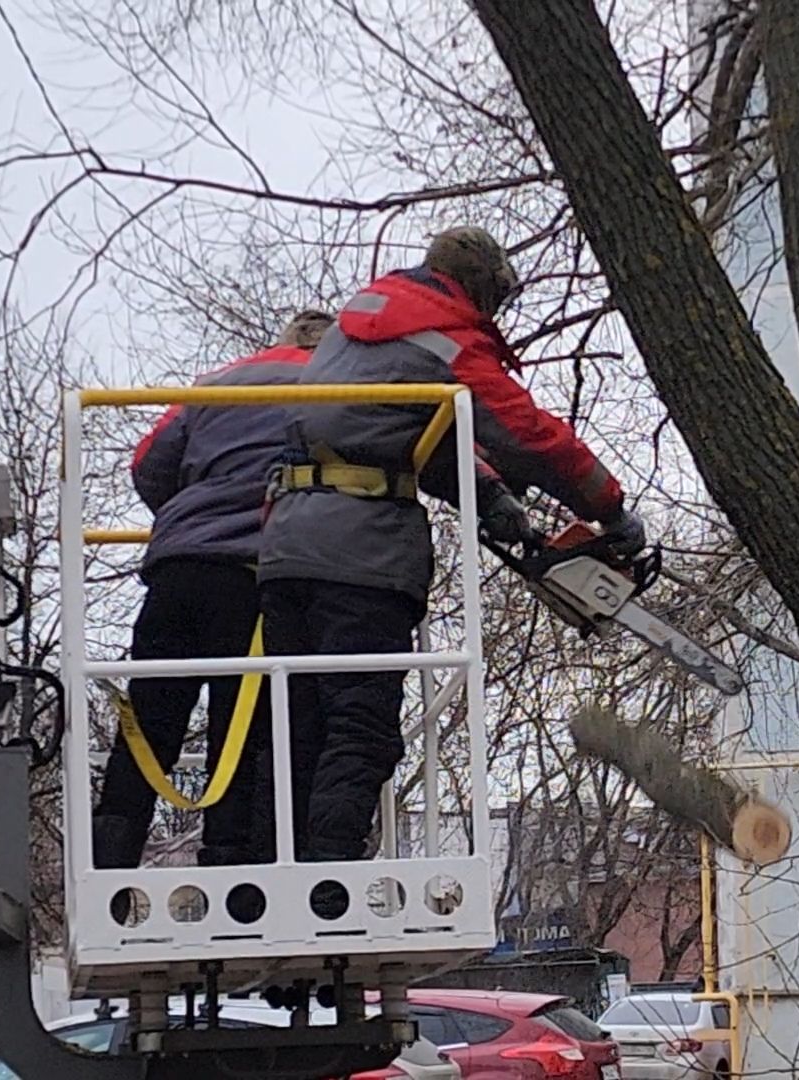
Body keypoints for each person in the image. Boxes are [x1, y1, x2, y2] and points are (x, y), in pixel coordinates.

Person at [258, 226, 644, 866]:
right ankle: (328, 886)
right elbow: (530, 436)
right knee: (360, 728)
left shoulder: (363, 327)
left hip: (287, 543)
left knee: (296, 727)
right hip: (362, 555)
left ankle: (273, 874)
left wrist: (489, 496)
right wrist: (610, 507)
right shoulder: (443, 335)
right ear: (480, 288)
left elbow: (387, 429)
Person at [90, 309, 335, 872]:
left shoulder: (218, 384)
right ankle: (227, 865)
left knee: (151, 718)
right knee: (240, 727)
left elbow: (149, 464)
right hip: (255, 568)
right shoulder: (336, 385)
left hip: (177, 566)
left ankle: (110, 861)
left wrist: (191, 514)